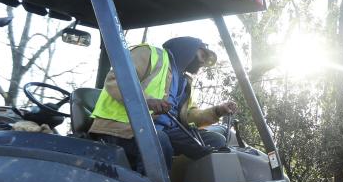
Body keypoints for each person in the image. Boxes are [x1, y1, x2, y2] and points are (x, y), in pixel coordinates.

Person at [88, 37, 237, 171]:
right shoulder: (150, 54)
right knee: (160, 140)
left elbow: (189, 116)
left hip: (163, 132)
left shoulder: (184, 83)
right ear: (187, 49)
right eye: (202, 55)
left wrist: (217, 111)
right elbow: (115, 80)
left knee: (216, 140)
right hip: (120, 129)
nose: (202, 62)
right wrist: (147, 101)